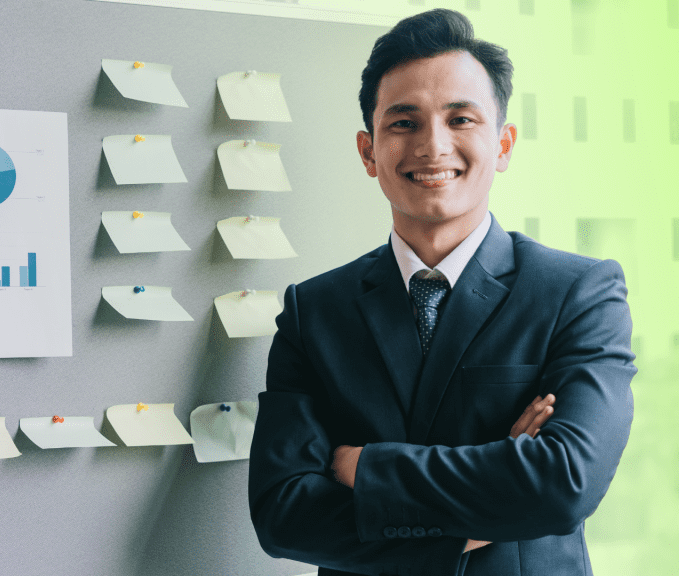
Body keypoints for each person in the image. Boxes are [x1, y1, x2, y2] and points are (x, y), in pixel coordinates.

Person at [248, 8, 636, 576]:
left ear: (503, 144)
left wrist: (363, 468)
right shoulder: (315, 311)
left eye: (461, 119)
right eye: (404, 123)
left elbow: (563, 483)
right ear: (367, 151)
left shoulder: (577, 292)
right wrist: (481, 505)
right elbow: (283, 515)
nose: (433, 146)